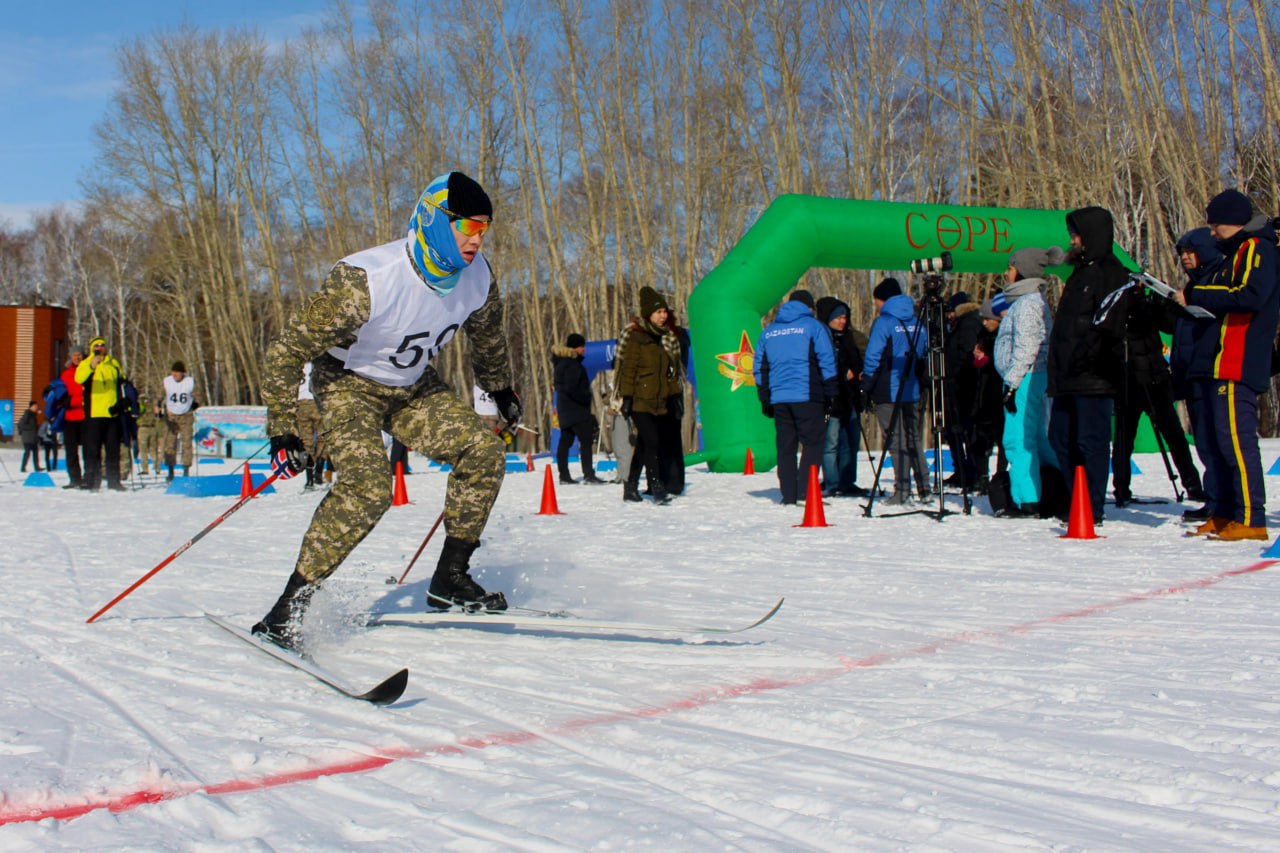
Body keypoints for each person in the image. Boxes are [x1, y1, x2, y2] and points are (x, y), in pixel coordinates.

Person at [252, 171, 521, 650]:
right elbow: (287, 351)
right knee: (368, 488)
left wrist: (499, 389)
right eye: (467, 227)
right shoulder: (366, 280)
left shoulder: (479, 278)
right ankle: (286, 612)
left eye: (484, 228)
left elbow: (488, 336)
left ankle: (449, 579)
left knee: (482, 452)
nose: (477, 240)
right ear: (436, 221)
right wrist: (283, 427)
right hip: (348, 386)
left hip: (413, 387)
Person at [1178, 189, 1280, 541]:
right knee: (1217, 443)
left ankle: (1252, 517)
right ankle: (1223, 512)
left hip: (1237, 360)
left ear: (1234, 221)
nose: (1211, 230)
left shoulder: (1256, 248)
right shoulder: (1233, 252)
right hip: (1217, 358)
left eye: (1215, 222)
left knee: (1236, 442)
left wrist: (1196, 295)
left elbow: (1249, 295)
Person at [1100, 262, 1206, 508]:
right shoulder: (1116, 306)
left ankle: (1192, 484)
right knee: (1125, 438)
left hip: (1154, 377)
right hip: (1128, 378)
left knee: (1174, 434)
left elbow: (1170, 323)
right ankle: (1122, 488)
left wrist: (1160, 303)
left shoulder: (1148, 303)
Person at [1046, 207, 1127, 526]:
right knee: (1060, 439)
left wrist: (1088, 356)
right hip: (1067, 375)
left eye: (1076, 234)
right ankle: (1075, 497)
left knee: (1090, 441)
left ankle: (1092, 505)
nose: (1071, 240)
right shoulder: (1079, 272)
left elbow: (1109, 325)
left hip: (1094, 376)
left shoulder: (1111, 272)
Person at [993, 247, 1062, 517]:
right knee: (1036, 436)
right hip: (1031, 376)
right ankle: (1054, 487)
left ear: (1021, 270)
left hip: (1024, 377)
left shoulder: (1027, 303)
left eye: (1010, 268)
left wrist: (1011, 384)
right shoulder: (1030, 300)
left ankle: (1027, 499)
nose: (1007, 273)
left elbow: (1026, 346)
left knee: (1018, 438)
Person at [753, 289, 836, 505]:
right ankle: (805, 491)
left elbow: (760, 368)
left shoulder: (769, 331)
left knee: (786, 447)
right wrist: (831, 392)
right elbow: (826, 361)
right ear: (809, 308)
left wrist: (765, 396)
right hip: (808, 395)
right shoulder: (813, 327)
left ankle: (788, 494)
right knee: (812, 444)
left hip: (780, 397)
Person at [1169, 228, 1224, 522]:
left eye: (1192, 252)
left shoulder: (1212, 285)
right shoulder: (1192, 287)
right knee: (1204, 441)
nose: (1187, 259)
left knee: (1216, 439)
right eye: (1183, 254)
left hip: (1209, 372)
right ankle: (1214, 497)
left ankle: (1222, 500)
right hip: (1191, 372)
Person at [862, 277, 929, 505]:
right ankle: (924, 486)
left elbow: (873, 356)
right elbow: (924, 355)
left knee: (895, 438)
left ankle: (902, 490)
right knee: (913, 438)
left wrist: (866, 385)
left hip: (887, 389)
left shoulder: (884, 322)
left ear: (884, 300)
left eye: (877, 301)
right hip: (912, 388)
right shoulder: (917, 321)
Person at [617, 286, 685, 505]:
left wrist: (675, 397)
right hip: (639, 400)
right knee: (652, 441)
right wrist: (626, 398)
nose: (663, 316)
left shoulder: (665, 337)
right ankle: (657, 486)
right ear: (649, 314)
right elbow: (628, 368)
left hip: (659, 401)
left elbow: (671, 374)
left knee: (645, 444)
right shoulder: (636, 337)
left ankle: (630, 488)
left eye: (665, 311)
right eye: (659, 312)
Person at [815, 295, 866, 496]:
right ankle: (832, 481)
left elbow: (859, 361)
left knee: (850, 442)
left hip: (849, 398)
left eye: (844, 317)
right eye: (838, 318)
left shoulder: (850, 338)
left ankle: (847, 480)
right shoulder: (822, 338)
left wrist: (855, 372)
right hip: (831, 400)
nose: (842, 322)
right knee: (831, 443)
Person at [942, 291, 983, 490]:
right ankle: (964, 470)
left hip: (963, 386)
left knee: (960, 430)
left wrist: (954, 373)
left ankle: (969, 472)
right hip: (961, 385)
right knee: (956, 430)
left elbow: (967, 355)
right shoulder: (968, 322)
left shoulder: (967, 324)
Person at [75, 336, 126, 492]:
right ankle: (91, 479)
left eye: (102, 345)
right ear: (91, 348)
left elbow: (121, 381)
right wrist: (91, 366)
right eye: (96, 346)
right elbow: (79, 379)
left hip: (111, 413)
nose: (100, 348)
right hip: (94, 413)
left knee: (112, 449)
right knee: (92, 450)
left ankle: (114, 480)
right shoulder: (86, 363)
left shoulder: (113, 363)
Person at [552, 332, 604, 485]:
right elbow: (572, 388)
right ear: (575, 348)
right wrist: (585, 398)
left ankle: (564, 475)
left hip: (565, 409)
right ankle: (588, 474)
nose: (584, 350)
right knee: (586, 441)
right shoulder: (572, 364)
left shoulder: (561, 363)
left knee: (566, 440)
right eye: (582, 346)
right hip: (577, 409)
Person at [161, 361, 197, 480]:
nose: (175, 374)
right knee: (170, 444)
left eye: (178, 372)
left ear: (183, 373)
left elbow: (197, 396)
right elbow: (160, 395)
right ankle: (170, 470)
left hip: (186, 415)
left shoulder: (189, 382)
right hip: (171, 415)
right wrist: (158, 405)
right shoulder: (167, 381)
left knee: (186, 443)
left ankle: (186, 469)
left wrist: (196, 404)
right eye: (174, 372)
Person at [59, 348, 87, 489]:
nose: (77, 357)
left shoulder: (88, 370)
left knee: (88, 449)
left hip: (85, 416)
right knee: (71, 450)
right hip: (69, 416)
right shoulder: (66, 374)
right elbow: (60, 392)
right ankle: (75, 478)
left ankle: (89, 478)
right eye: (75, 355)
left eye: (79, 354)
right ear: (71, 356)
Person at [296, 361, 326, 489]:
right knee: (323, 436)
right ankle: (319, 468)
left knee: (306, 440)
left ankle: (309, 478)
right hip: (317, 401)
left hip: (302, 403)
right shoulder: (318, 365)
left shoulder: (298, 366)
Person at [18, 401, 42, 472]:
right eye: (35, 406)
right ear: (31, 407)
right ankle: (23, 467)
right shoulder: (27, 414)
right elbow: (21, 425)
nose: (36, 408)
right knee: (27, 452)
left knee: (35, 452)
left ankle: (37, 467)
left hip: (33, 438)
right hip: (28, 438)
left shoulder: (33, 415)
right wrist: (32, 427)